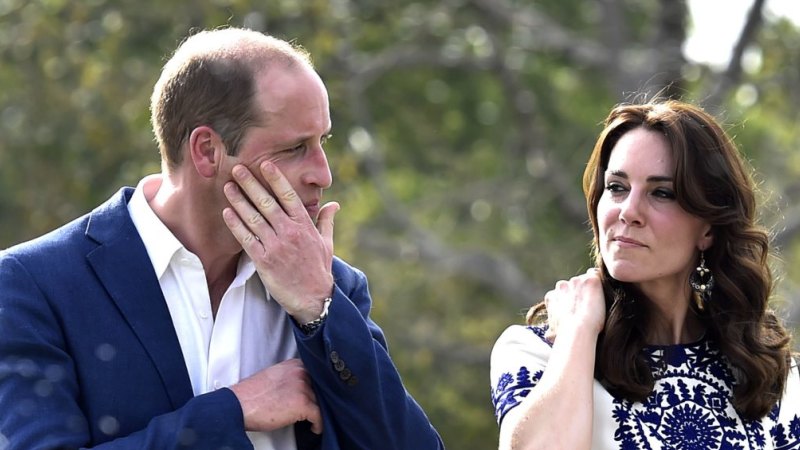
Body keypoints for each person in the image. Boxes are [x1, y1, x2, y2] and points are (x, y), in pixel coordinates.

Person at [0, 27, 444, 450]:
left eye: (322, 141)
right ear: (208, 151)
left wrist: (318, 311)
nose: (323, 174)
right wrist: (232, 410)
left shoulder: (331, 288)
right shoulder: (33, 285)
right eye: (294, 148)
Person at [490, 99, 800, 450]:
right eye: (617, 187)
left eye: (661, 193)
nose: (628, 211)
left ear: (709, 229)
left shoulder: (775, 376)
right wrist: (579, 330)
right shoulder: (538, 354)